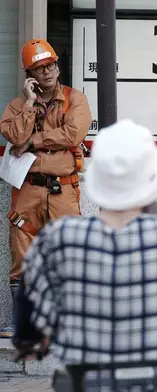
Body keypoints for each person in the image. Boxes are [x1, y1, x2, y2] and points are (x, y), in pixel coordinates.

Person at [12, 119, 157, 387]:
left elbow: (31, 313)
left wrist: (32, 340)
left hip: (85, 382)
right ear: (151, 176)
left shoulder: (57, 239)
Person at [0, 38, 91, 338]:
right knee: (22, 254)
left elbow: (73, 132)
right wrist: (28, 104)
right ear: (29, 75)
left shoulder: (75, 99)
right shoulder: (16, 106)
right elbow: (14, 135)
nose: (47, 72)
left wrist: (34, 141)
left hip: (63, 190)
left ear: (57, 66)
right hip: (27, 190)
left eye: (50, 65)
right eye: (39, 68)